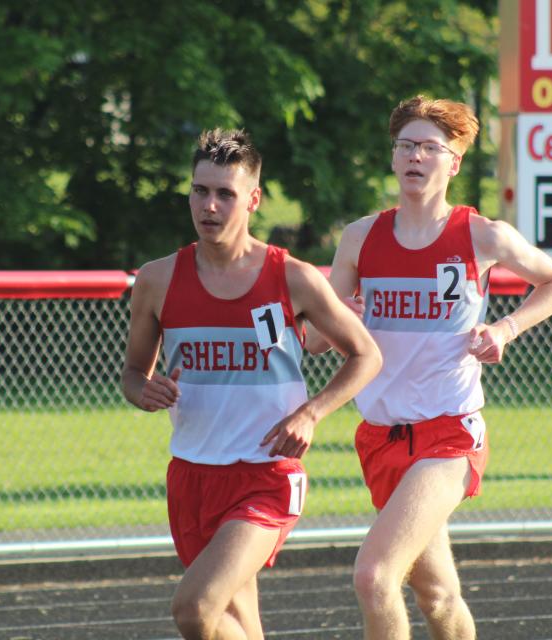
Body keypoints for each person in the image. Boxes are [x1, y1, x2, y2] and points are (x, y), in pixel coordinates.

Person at [305, 95, 552, 639]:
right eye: (406, 145)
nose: (415, 156)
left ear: (453, 162)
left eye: (430, 147)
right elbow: (313, 339)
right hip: (381, 437)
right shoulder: (360, 238)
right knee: (437, 594)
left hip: (449, 434)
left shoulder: (482, 236)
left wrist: (505, 328)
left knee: (375, 576)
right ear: (392, 156)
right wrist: (342, 322)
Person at [121, 128, 382, 639]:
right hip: (193, 475)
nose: (209, 205)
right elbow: (133, 374)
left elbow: (366, 355)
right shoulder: (157, 279)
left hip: (266, 475)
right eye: (200, 191)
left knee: (194, 609)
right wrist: (143, 391)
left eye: (225, 193)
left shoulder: (292, 277)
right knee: (232, 623)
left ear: (254, 199)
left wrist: (311, 413)